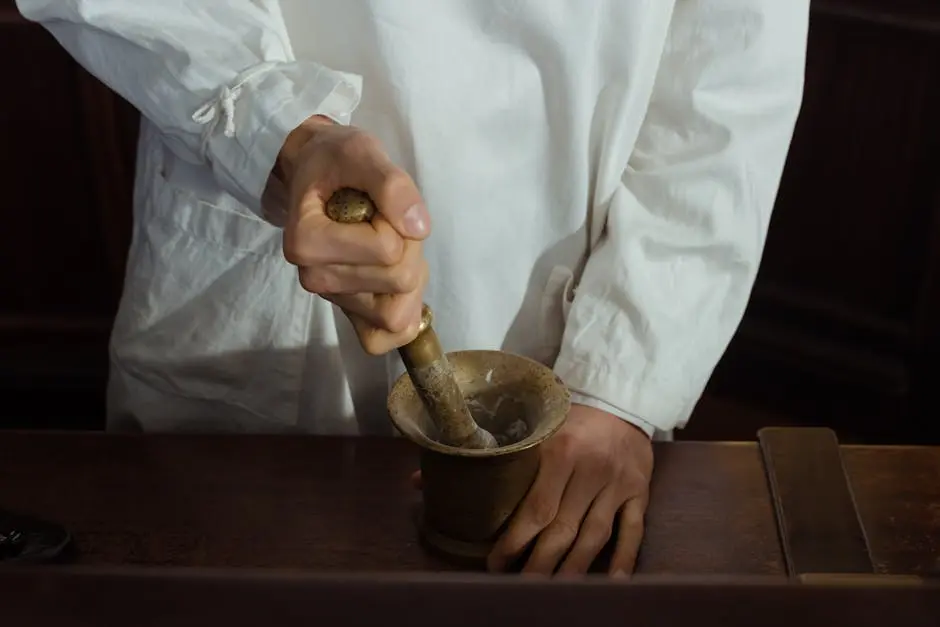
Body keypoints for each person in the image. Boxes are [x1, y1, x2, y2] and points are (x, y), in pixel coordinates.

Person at [17, 0, 810, 575]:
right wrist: (277, 129)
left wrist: (621, 380)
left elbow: (727, 88)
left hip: (565, 310)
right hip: (249, 251)